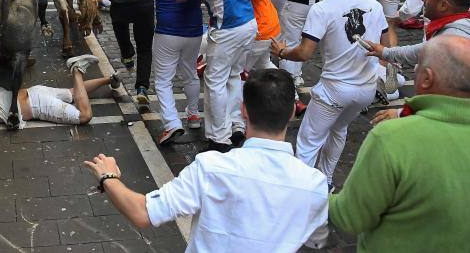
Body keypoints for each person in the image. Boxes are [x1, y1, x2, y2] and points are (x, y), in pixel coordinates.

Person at [82, 69, 329, 252]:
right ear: (291, 112)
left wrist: (108, 177)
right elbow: (316, 240)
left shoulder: (212, 168)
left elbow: (143, 213)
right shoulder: (314, 184)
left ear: (243, 110)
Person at [329, 35, 470, 253]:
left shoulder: (391, 138)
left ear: (426, 78)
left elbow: (350, 218)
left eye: (417, 68)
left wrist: (316, 197)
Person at [271, 0, 389, 191]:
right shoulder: (374, 5)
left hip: (335, 89)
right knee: (338, 130)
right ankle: (326, 181)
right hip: (365, 88)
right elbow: (386, 45)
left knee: (309, 141)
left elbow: (304, 53)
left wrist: (282, 52)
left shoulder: (323, 8)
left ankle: (303, 191)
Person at [175, 0, 257, 151]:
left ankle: (219, 137)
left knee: (214, 81)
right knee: (234, 76)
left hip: (228, 28)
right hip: (249, 23)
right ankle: (236, 126)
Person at [128, 0, 203, 145]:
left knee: (163, 80)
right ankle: (194, 115)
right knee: (190, 73)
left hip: (168, 31)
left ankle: (171, 123)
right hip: (194, 30)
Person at [223, 0, 283, 144]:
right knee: (263, 63)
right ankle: (293, 97)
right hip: (267, 25)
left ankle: (237, 123)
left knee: (235, 75)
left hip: (259, 29)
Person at [0, 55, 120, 132]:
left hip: (37, 106)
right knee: (73, 92)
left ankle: (77, 70)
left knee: (84, 116)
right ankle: (110, 79)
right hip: (34, 91)